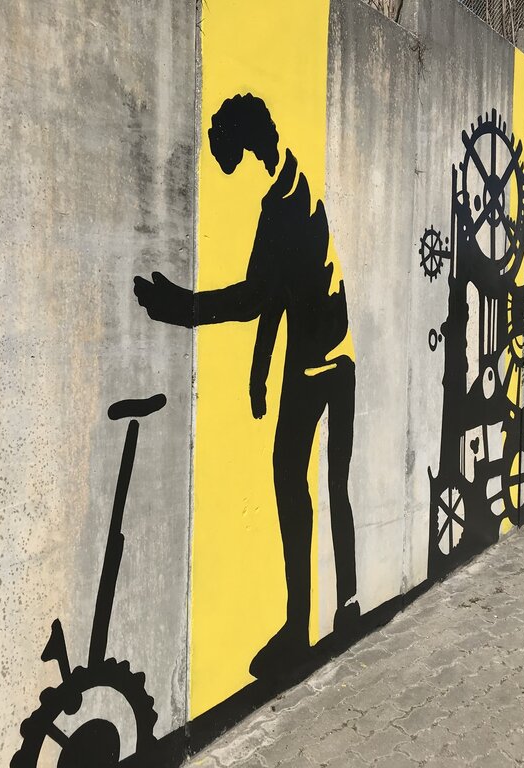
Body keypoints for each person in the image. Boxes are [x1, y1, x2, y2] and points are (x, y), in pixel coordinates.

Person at [133, 93, 360, 678]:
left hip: (312, 362)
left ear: (243, 142)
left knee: (290, 480)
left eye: (226, 152)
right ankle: (348, 606)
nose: (224, 164)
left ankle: (298, 629)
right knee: (333, 483)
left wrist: (182, 308)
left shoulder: (281, 205)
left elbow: (255, 297)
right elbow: (279, 290)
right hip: (341, 357)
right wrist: (259, 372)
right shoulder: (294, 182)